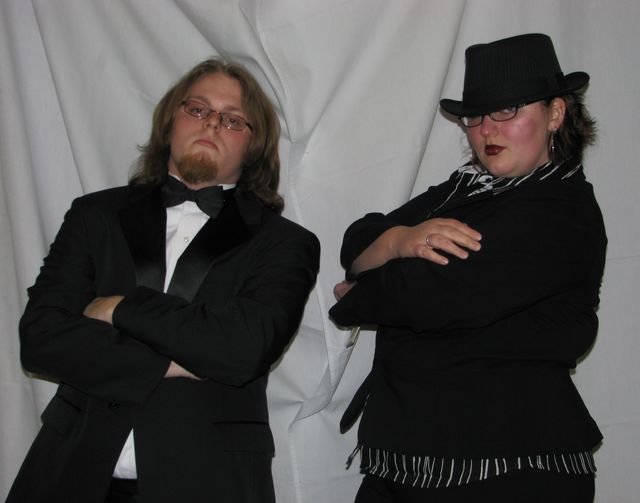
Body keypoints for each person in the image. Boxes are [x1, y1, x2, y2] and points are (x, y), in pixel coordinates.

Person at [7, 58, 320, 503]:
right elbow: (41, 338)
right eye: (198, 109)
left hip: (209, 484)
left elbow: (242, 350)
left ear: (255, 145)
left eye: (232, 120)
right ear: (171, 120)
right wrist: (175, 361)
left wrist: (118, 307)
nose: (211, 124)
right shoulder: (95, 215)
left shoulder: (285, 243)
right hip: (71, 475)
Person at [330, 33, 606, 502]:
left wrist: (360, 292)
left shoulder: (562, 210)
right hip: (405, 461)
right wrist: (400, 241)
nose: (486, 130)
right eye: (475, 116)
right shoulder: (464, 189)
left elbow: (431, 294)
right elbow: (358, 239)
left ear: (556, 113)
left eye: (508, 110)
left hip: (510, 468)